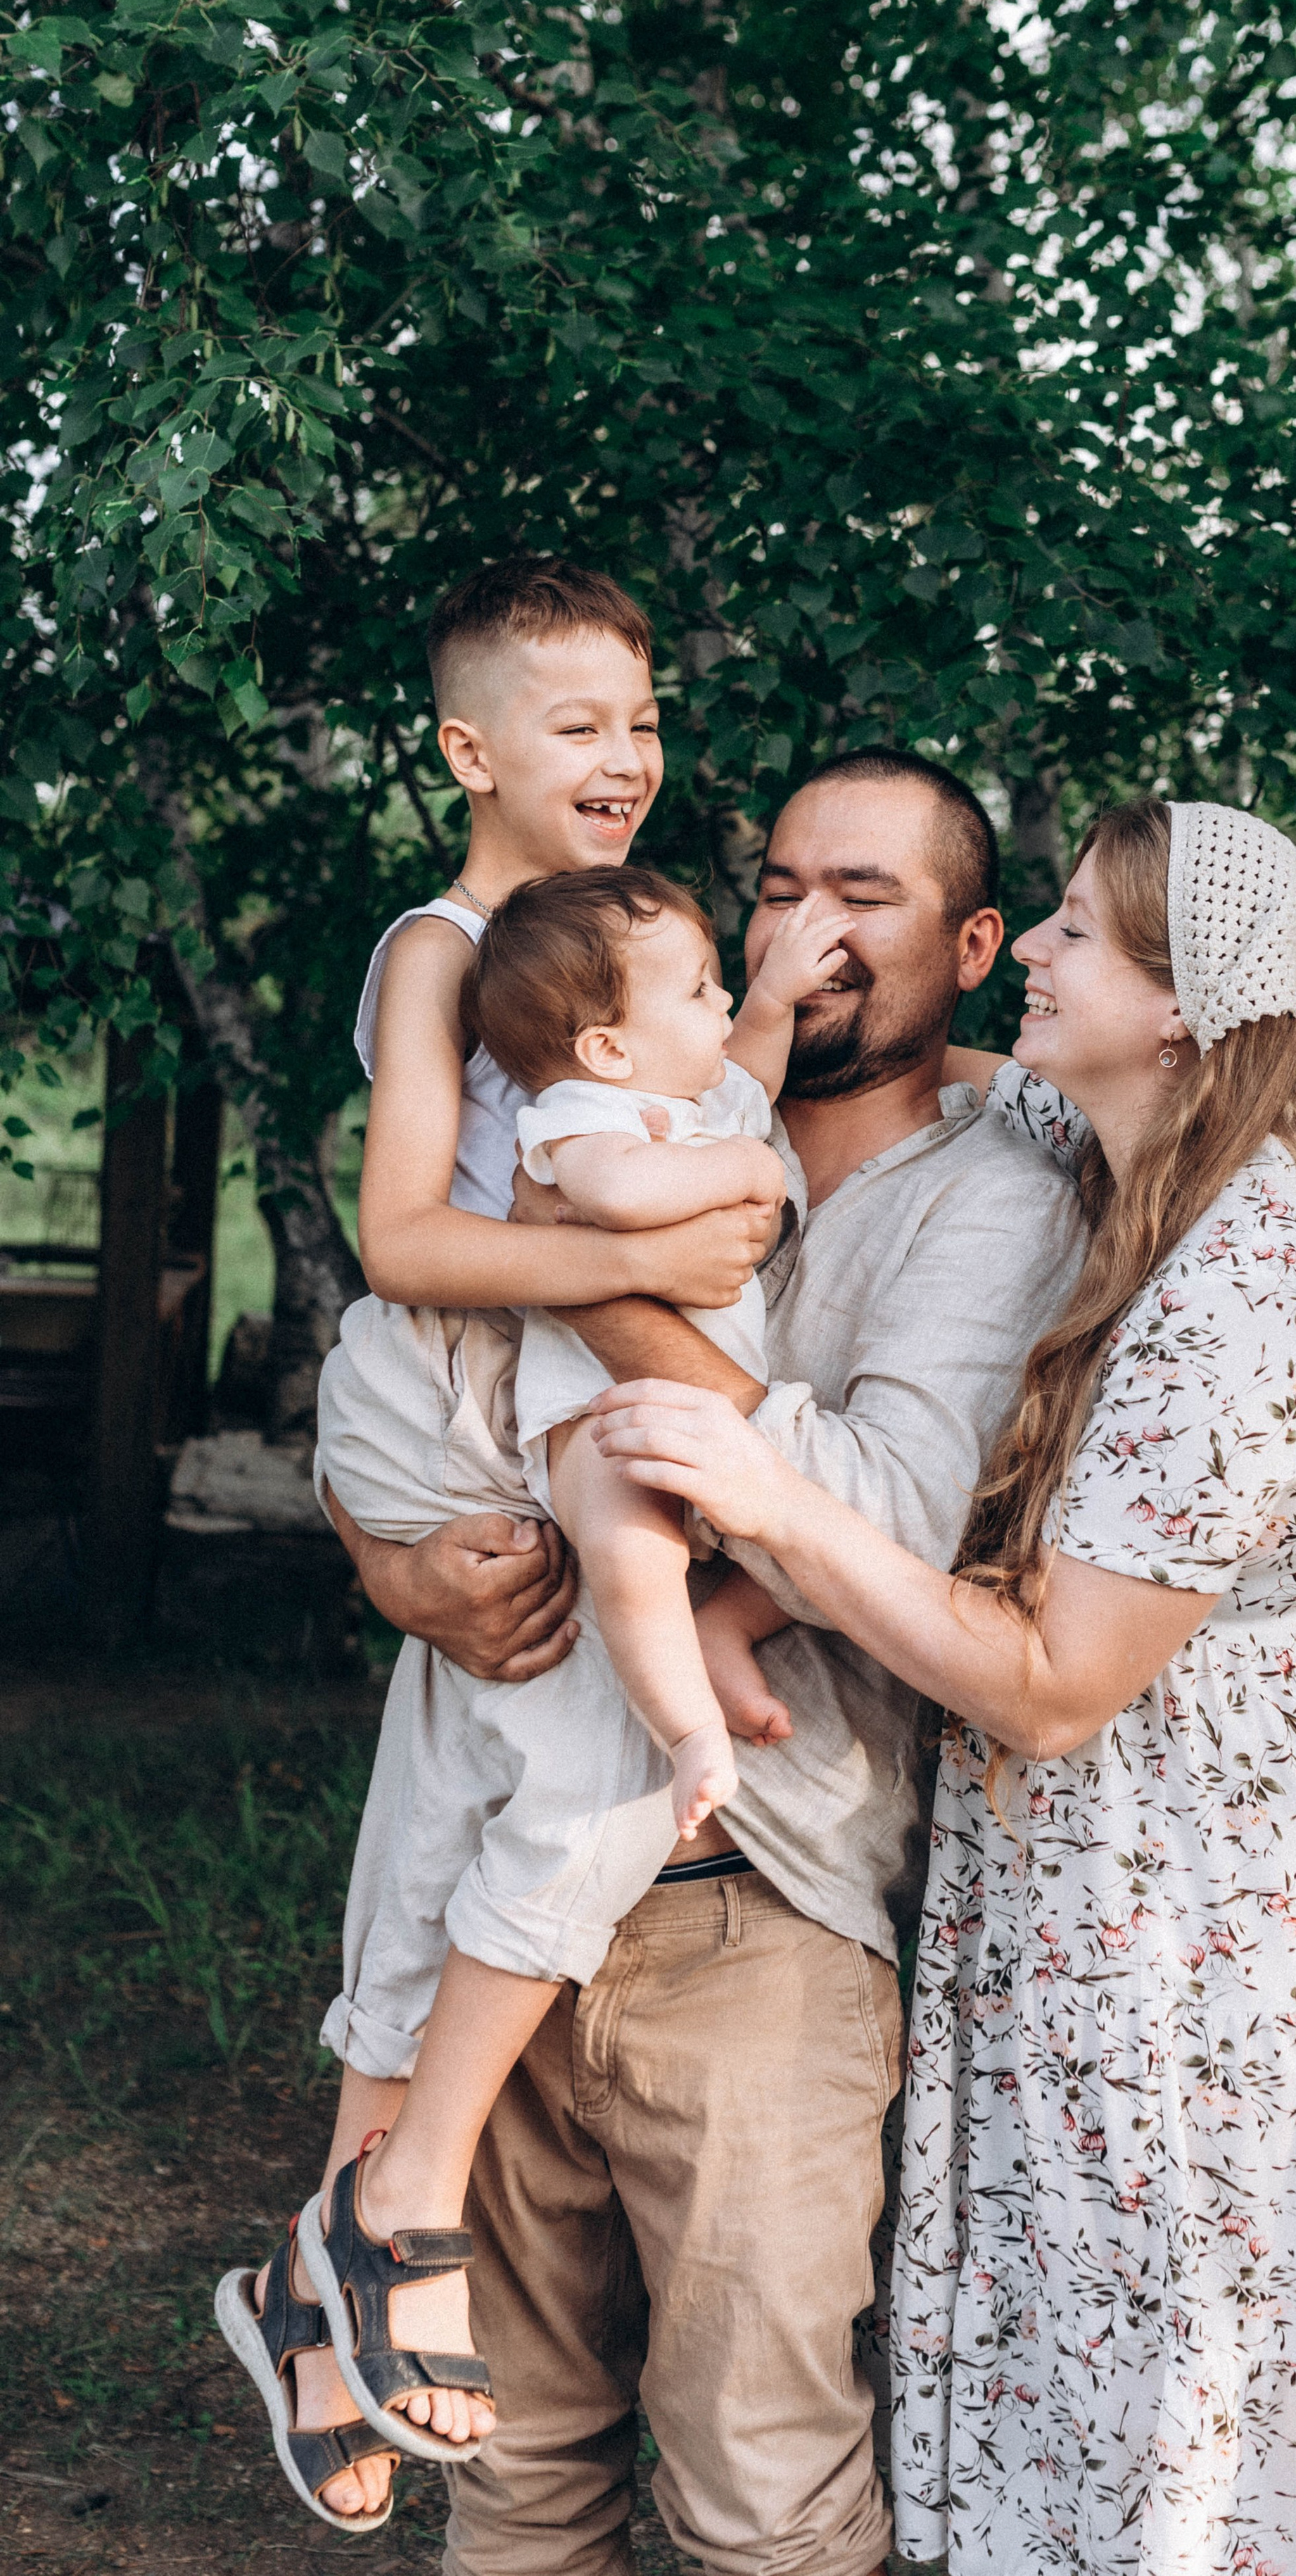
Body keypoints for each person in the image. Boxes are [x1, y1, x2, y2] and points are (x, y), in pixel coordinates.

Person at [592, 798, 1296, 2576]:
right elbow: (926, 1056)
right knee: (1050, 2365)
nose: (1027, 952)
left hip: (1185, 1937)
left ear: (1185, 1005)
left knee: (1159, 2402)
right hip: (1079, 1908)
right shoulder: (1112, 1135)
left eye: (1069, 936)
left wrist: (771, 1508)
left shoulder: (1241, 1278)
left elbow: (1048, 1686)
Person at [313, 747, 1088, 2575]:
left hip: (758, 1909)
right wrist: (397, 1568)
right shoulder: (600, 1109)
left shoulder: (986, 1190)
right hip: (497, 1873)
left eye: (864, 900)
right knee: (511, 2480)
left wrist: (590, 1289)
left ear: (974, 944)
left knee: (762, 2496)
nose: (805, 931)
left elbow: (891, 1512)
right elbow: (429, 1394)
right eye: (781, 888)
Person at [215, 556, 787, 2534]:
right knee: (596, 1756)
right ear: (469, 748)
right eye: (576, 725)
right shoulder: (446, 949)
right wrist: (652, 1266)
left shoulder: (606, 947)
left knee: (437, 1834)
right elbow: (403, 1242)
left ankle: (315, 2290)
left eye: (639, 721)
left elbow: (702, 1101)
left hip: (506, 1417)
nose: (625, 755)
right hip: (463, 1396)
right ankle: (385, 2220)